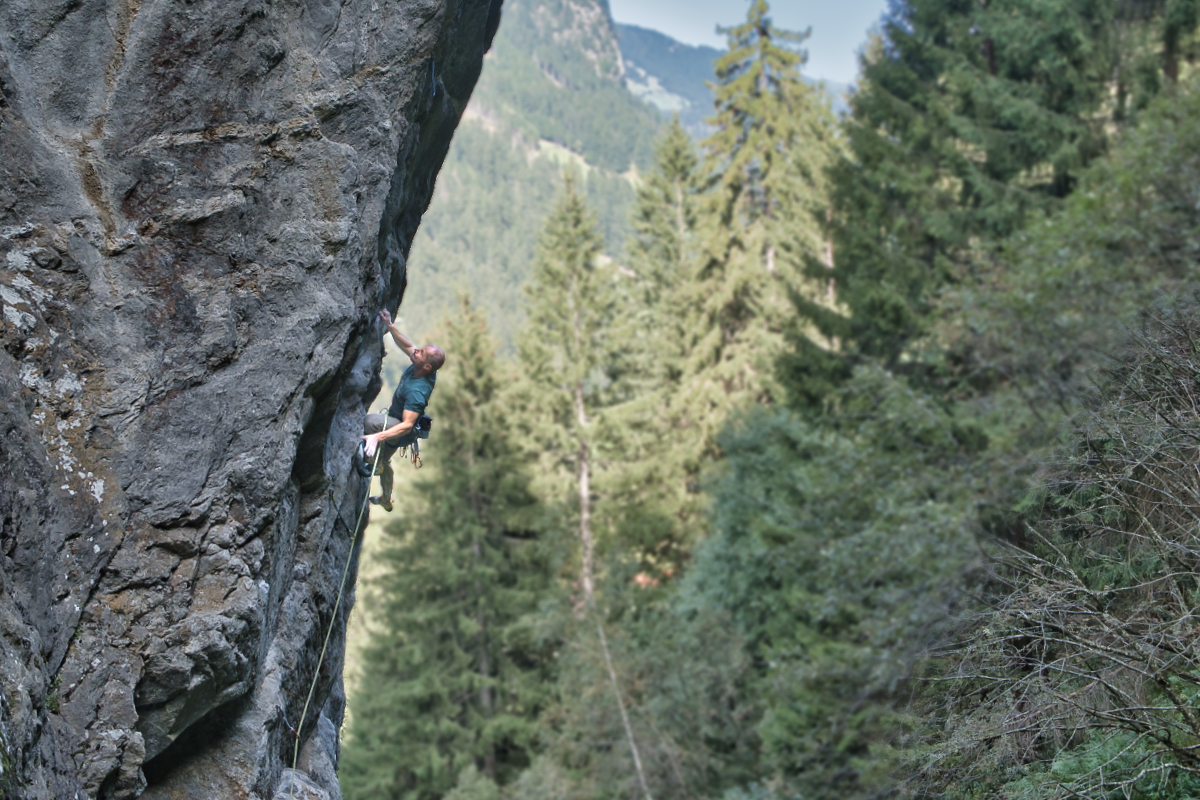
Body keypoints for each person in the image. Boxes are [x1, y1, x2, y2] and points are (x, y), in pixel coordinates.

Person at [361, 310, 445, 512]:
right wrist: (390, 326)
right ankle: (386, 498)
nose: (416, 351)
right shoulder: (420, 364)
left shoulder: (418, 391)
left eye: (420, 353)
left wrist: (376, 437)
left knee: (371, 421)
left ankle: (375, 463)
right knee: (386, 457)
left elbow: (406, 425)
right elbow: (407, 345)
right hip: (395, 421)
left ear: (426, 366)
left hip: (400, 427)